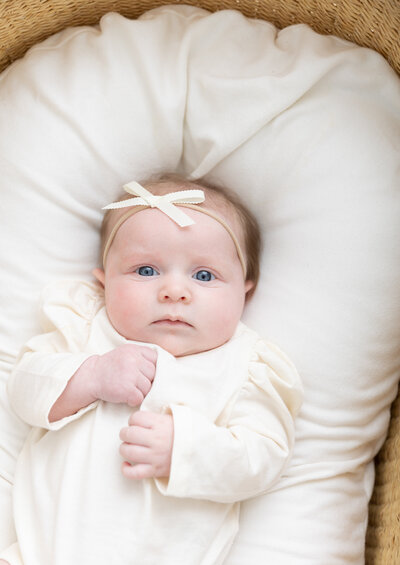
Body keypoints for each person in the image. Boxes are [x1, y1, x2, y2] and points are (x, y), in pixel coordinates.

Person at [0, 176, 303, 565]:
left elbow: (261, 458)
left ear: (246, 292)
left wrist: (186, 448)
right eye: (146, 271)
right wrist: (89, 375)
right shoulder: (84, 329)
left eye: (204, 275)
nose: (174, 291)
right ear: (104, 281)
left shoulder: (246, 367)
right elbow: (24, 388)